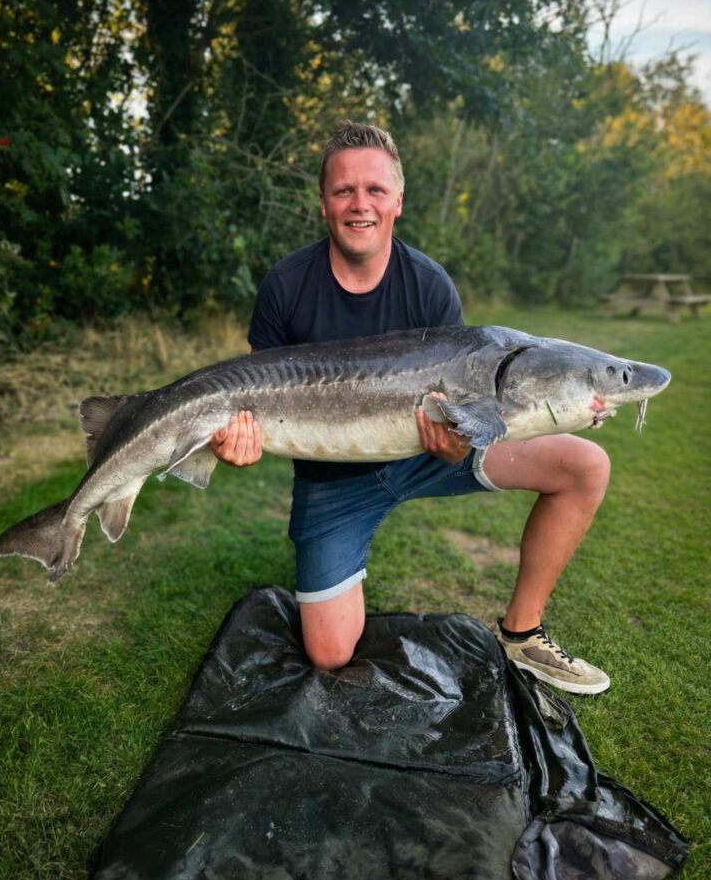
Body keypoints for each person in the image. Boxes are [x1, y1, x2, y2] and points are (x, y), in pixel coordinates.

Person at [211, 121, 611, 695]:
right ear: (323, 202)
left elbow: (465, 413)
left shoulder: (429, 285)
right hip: (334, 480)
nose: (360, 204)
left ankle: (522, 634)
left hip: (427, 452)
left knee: (585, 464)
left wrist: (456, 445)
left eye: (375, 190)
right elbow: (254, 393)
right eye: (344, 190)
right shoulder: (286, 285)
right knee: (328, 654)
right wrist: (234, 441)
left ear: (397, 200)